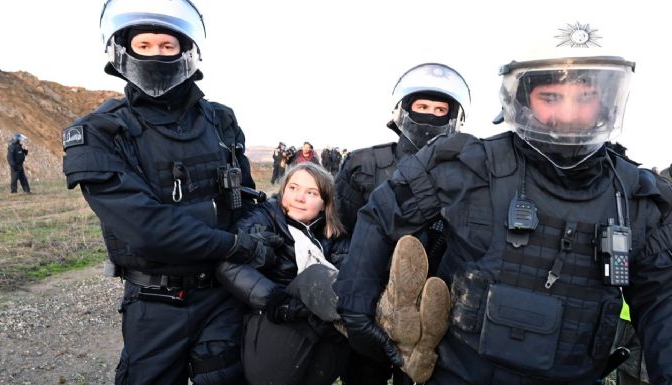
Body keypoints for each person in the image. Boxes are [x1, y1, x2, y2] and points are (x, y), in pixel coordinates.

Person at [334, 22, 672, 385]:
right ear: (523, 100)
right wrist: (356, 307)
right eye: (552, 97)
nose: (570, 113)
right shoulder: (468, 164)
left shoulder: (637, 198)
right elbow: (382, 215)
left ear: (606, 101)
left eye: (585, 96)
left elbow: (662, 300)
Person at [61, 1, 282, 384]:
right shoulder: (100, 131)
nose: (157, 55)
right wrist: (235, 245)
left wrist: (257, 231)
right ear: (123, 50)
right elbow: (147, 228)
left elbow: (246, 197)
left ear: (187, 50)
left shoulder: (221, 120)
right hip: (155, 303)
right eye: (145, 45)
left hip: (223, 294)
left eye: (168, 46)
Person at [333, 62, 470, 385]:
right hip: (369, 303)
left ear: (454, 118)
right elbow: (339, 231)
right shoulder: (363, 164)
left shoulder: (465, 175)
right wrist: (358, 292)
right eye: (422, 107)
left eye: (440, 109)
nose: (430, 117)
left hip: (432, 317)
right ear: (403, 109)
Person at [215, 163, 350, 385]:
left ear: (325, 203)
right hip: (273, 329)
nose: (299, 198)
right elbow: (227, 265)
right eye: (293, 188)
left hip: (320, 332)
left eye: (311, 193)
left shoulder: (333, 237)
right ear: (283, 190)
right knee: (317, 275)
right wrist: (277, 301)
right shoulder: (262, 219)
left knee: (349, 280)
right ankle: (374, 321)